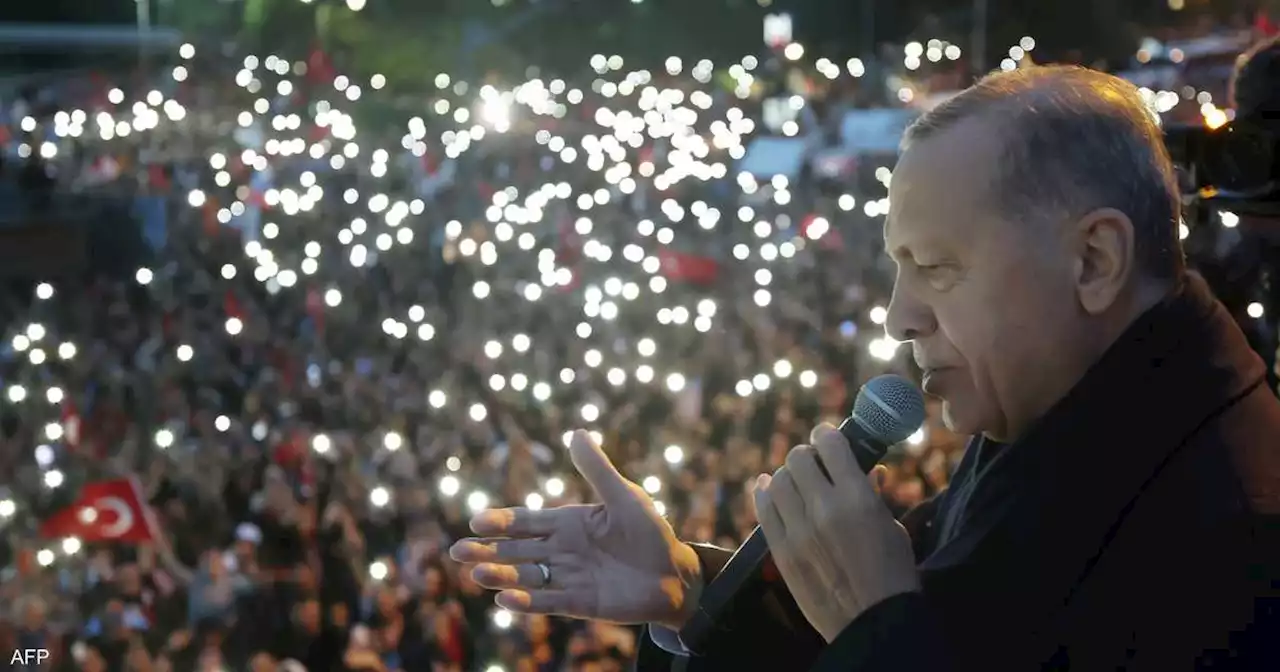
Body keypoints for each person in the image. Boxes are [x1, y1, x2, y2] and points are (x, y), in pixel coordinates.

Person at [451, 64, 1280, 671]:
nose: (898, 314)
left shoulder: (1237, 550)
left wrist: (881, 631)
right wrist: (696, 593)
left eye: (938, 268)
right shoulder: (1064, 422)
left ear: (1094, 260)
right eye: (898, 267)